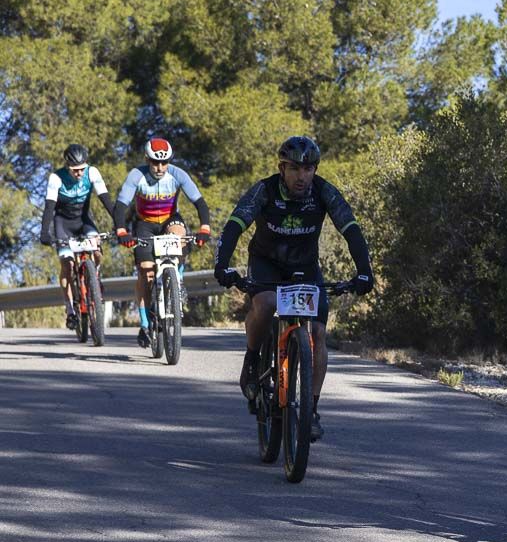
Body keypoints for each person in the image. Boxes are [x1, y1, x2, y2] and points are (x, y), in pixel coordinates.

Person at [212, 136, 374, 441]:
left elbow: (351, 229)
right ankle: (251, 359)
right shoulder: (265, 189)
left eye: (309, 169)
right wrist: (222, 264)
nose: (303, 176)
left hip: (305, 269)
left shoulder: (324, 191)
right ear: (282, 168)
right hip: (266, 262)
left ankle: (310, 409)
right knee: (267, 302)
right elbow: (235, 224)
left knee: (318, 334)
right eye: (296, 169)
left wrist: (364, 271)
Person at [112, 137, 212, 347]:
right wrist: (121, 231)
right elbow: (121, 205)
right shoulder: (136, 175)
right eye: (155, 163)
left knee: (180, 235)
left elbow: (200, 203)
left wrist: (205, 228)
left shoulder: (178, 174)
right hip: (145, 224)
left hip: (169, 219)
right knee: (146, 272)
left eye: (164, 162)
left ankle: (178, 281)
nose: (159, 167)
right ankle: (145, 322)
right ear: (147, 159)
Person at [39, 144, 116, 329]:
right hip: (62, 224)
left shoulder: (92, 173)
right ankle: (70, 309)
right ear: (67, 167)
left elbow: (106, 201)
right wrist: (44, 232)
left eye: (82, 169)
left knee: (96, 251)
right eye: (75, 170)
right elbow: (49, 208)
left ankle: (94, 280)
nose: (79, 173)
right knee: (68, 265)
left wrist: (120, 225)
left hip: (83, 221)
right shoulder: (56, 178)